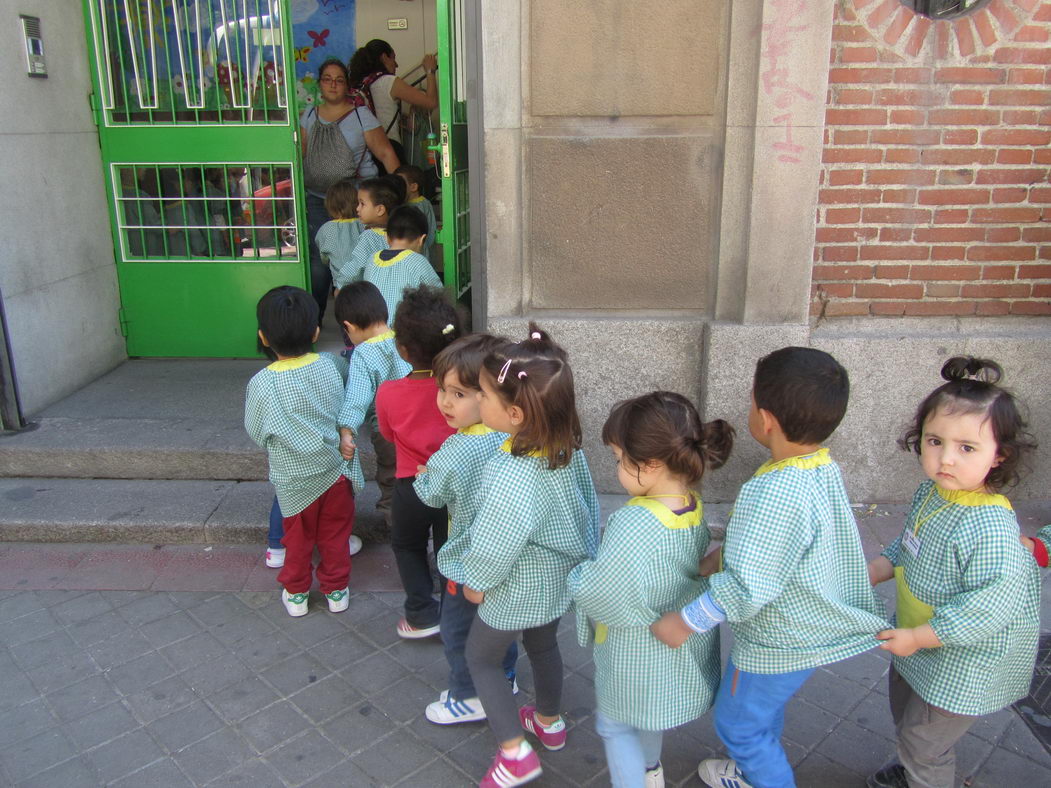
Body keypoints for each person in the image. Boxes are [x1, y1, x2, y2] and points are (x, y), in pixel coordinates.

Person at [650, 346, 887, 788]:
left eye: (751, 400)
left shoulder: (775, 491)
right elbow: (781, 544)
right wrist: (722, 555)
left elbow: (745, 588)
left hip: (777, 641)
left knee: (740, 725)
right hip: (806, 627)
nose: (749, 408)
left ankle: (763, 775)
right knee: (762, 714)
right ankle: (747, 773)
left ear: (768, 420)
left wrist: (685, 622)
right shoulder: (816, 465)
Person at [865, 357, 1039, 788]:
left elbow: (986, 611)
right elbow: (906, 545)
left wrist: (917, 637)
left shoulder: (990, 529)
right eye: (934, 440)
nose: (945, 458)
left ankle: (924, 772)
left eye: (967, 448)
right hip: (917, 638)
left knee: (925, 739)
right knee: (907, 716)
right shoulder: (932, 492)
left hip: (961, 659)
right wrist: (870, 571)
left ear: (1000, 456)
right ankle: (914, 765)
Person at [569, 391, 733, 788]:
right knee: (647, 715)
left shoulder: (635, 522)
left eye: (618, 458)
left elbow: (606, 591)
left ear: (653, 464)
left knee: (615, 726)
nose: (616, 469)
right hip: (669, 646)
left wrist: (578, 577)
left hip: (634, 651)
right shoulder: (690, 504)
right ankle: (650, 770)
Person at [462, 324, 600, 788]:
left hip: (516, 583)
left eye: (482, 395)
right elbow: (587, 503)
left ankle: (513, 752)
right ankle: (549, 720)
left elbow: (495, 539)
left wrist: (476, 580)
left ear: (516, 413)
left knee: (480, 658)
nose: (478, 402)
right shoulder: (565, 449)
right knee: (543, 646)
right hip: (556, 575)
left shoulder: (514, 476)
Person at [414, 334, 519, 725]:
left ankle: (468, 695)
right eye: (442, 390)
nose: (444, 402)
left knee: (457, 630)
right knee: (496, 626)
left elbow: (431, 495)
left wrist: (427, 475)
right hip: (505, 559)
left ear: (489, 394)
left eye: (458, 393)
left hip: (467, 559)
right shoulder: (511, 435)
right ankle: (504, 677)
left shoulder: (457, 449)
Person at [244, 286, 365, 617]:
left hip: (292, 478)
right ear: (315, 331)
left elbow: (256, 431)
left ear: (263, 338)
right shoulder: (330, 366)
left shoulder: (261, 383)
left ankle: (296, 594)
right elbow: (343, 408)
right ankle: (337, 591)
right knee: (335, 536)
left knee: (296, 540)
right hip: (334, 472)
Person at [375, 286, 461, 638]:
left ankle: (422, 614)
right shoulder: (462, 393)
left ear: (403, 350)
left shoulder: (388, 393)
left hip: (411, 485)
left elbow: (388, 434)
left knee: (407, 545)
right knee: (449, 548)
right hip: (454, 486)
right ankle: (454, 611)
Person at [300, 58, 399, 323]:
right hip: (317, 201)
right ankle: (314, 322)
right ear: (320, 85)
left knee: (359, 262)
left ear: (347, 86)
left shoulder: (360, 115)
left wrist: (401, 196)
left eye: (339, 79)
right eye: (327, 79)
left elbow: (386, 152)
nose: (333, 84)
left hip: (358, 203)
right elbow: (300, 155)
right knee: (318, 264)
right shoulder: (308, 116)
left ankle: (362, 322)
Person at [335, 281, 410, 532]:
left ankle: (397, 525)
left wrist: (346, 430)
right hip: (419, 423)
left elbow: (357, 398)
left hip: (387, 433)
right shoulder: (407, 339)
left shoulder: (364, 354)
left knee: (392, 478)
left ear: (349, 326)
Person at [348, 39, 439, 167]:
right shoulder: (388, 81)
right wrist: (430, 71)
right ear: (384, 57)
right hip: (388, 149)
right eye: (393, 58)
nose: (396, 64)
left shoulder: (361, 83)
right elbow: (431, 102)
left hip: (365, 152)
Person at [364, 206, 442, 319]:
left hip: (374, 331)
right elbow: (437, 296)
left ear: (386, 237)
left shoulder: (372, 260)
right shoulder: (417, 261)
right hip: (405, 332)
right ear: (421, 240)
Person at [335, 177, 402, 290]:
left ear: (380, 210)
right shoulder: (401, 234)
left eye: (362, 204)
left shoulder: (369, 237)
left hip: (373, 296)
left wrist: (340, 286)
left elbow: (354, 269)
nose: (357, 208)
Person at [315, 178, 364, 292]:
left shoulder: (326, 229)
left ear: (330, 206)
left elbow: (324, 258)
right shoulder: (364, 225)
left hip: (341, 285)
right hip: (366, 284)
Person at [395, 164, 438, 256]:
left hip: (415, 252)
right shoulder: (425, 202)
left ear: (413, 187)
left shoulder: (414, 208)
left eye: (401, 184)